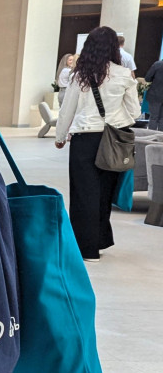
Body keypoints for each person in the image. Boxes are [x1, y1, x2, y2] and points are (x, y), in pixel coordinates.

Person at [55, 25, 140, 261]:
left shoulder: (80, 75)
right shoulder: (124, 75)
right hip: (113, 139)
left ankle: (85, 249)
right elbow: (134, 112)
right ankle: (99, 241)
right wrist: (115, 117)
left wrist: (60, 137)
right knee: (104, 193)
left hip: (84, 138)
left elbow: (67, 110)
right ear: (114, 48)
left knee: (83, 193)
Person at [144, 57, 163, 130]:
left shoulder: (157, 64)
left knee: (153, 118)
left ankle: (152, 136)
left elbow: (147, 78)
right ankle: (161, 136)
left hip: (155, 94)